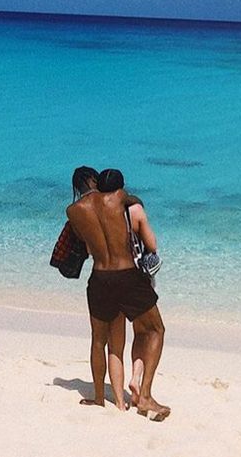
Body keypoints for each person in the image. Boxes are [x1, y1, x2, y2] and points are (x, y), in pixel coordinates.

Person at [66, 167, 170, 420]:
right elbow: (133, 200)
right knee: (155, 330)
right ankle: (144, 396)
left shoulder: (73, 211)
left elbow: (87, 245)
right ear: (95, 180)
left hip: (99, 279)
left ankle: (99, 397)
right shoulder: (114, 198)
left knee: (98, 340)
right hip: (127, 276)